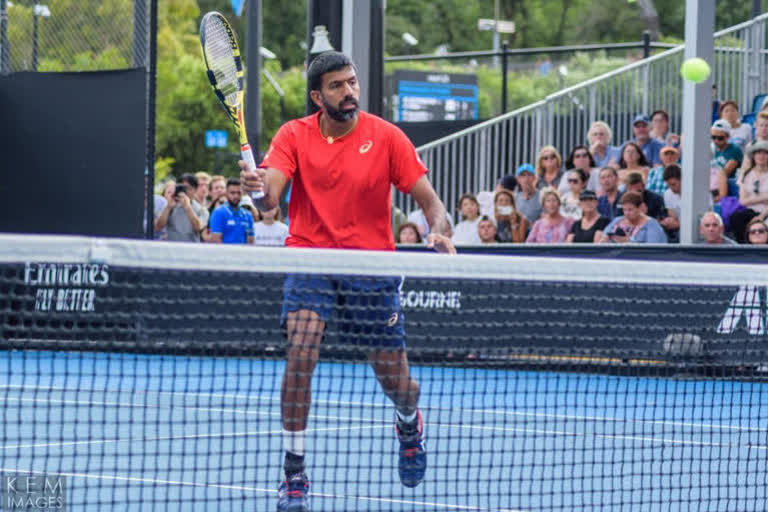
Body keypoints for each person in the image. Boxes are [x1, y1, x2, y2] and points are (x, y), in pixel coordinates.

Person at [238, 51, 455, 512]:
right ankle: (294, 472)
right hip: (310, 256)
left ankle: (409, 422)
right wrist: (258, 187)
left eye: (352, 82)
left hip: (371, 266)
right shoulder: (293, 135)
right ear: (318, 96)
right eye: (337, 86)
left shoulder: (386, 137)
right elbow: (270, 202)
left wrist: (438, 228)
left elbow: (432, 201)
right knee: (301, 348)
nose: (349, 92)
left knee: (397, 382)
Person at [728, 140, 768, 243]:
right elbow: (743, 201)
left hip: (766, 212)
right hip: (750, 211)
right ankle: (743, 247)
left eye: (765, 153)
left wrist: (761, 216)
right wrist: (765, 197)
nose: (761, 156)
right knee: (736, 217)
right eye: (758, 153)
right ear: (754, 156)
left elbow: (748, 199)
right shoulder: (746, 174)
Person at [154, 173, 208, 242]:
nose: (185, 191)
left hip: (191, 250)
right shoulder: (170, 206)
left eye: (188, 188)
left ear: (195, 190)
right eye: (182, 188)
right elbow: (158, 227)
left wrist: (188, 207)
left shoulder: (201, 209)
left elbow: (198, 227)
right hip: (172, 250)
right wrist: (168, 208)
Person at [599, 191, 667, 244]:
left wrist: (629, 242)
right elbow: (603, 237)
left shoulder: (652, 225)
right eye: (624, 210)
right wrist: (606, 239)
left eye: (630, 210)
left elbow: (653, 249)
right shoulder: (617, 221)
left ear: (639, 208)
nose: (626, 213)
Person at [208, 178, 254, 244]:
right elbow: (216, 240)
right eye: (232, 193)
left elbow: (250, 241)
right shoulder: (218, 212)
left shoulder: (247, 214)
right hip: (225, 253)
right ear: (226, 193)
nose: (236, 196)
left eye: (239, 193)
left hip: (243, 253)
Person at [710, 119, 743, 202]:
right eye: (713, 137)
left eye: (720, 138)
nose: (716, 140)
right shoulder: (712, 148)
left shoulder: (734, 150)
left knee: (721, 173)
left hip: (724, 184)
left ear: (728, 137)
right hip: (711, 184)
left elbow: (726, 171)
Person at [659, 164, 682, 243]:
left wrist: (678, 224)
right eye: (668, 185)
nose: (671, 188)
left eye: (673, 184)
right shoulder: (667, 194)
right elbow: (672, 216)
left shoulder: (695, 192)